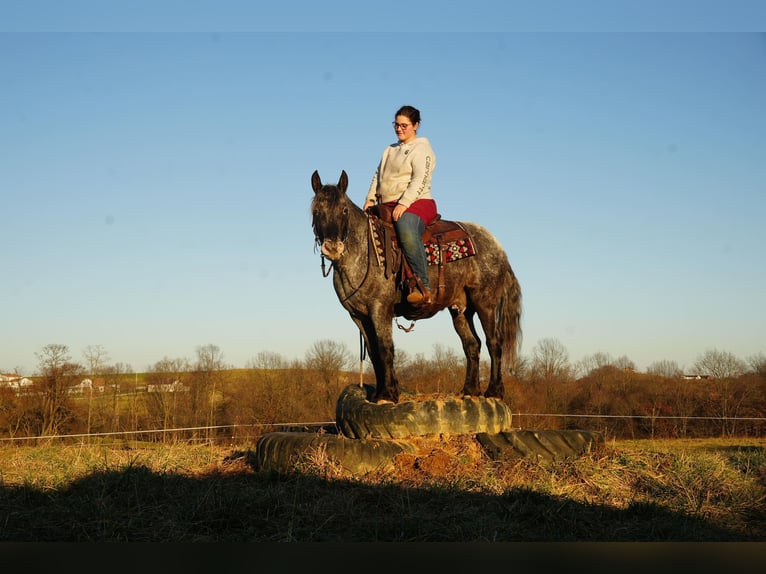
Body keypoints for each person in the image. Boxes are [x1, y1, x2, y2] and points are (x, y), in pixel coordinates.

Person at [364, 105, 437, 305]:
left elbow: (420, 179)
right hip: (387, 203)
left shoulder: (423, 150)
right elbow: (378, 175)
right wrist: (370, 199)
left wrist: (404, 203)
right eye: (396, 125)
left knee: (405, 228)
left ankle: (422, 285)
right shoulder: (389, 150)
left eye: (404, 125)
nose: (399, 129)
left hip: (418, 202)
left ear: (415, 126)